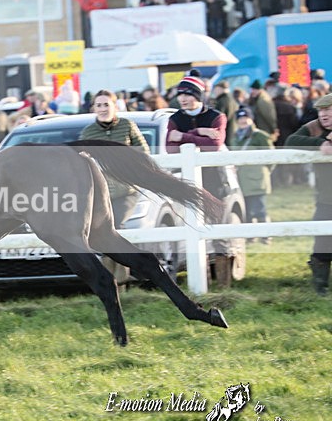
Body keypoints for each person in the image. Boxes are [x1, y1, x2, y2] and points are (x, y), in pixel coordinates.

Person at [165, 74, 233, 285]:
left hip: (215, 181)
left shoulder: (217, 116)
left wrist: (186, 135)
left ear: (197, 95)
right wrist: (200, 134)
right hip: (189, 184)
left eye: (187, 94)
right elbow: (170, 148)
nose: (182, 99)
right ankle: (202, 282)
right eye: (180, 95)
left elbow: (214, 145)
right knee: (195, 232)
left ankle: (224, 285)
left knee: (219, 232)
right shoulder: (174, 119)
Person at [79, 89, 150, 225]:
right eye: (98, 105)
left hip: (126, 190)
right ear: (94, 108)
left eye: (106, 104)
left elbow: (143, 151)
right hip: (100, 193)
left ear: (115, 106)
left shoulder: (127, 125)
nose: (102, 109)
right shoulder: (88, 133)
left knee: (116, 222)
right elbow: (80, 161)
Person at [285, 93, 332, 295]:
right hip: (326, 198)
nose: (324, 114)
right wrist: (320, 144)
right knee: (322, 242)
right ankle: (320, 287)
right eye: (321, 110)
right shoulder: (313, 128)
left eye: (328, 110)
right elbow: (290, 141)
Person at [229, 107, 274, 240]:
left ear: (251, 119)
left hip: (257, 180)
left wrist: (263, 171)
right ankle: (250, 236)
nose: (243, 121)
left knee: (260, 210)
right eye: (240, 118)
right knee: (247, 211)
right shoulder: (235, 137)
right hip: (241, 180)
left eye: (245, 118)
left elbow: (271, 157)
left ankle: (265, 236)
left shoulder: (260, 136)